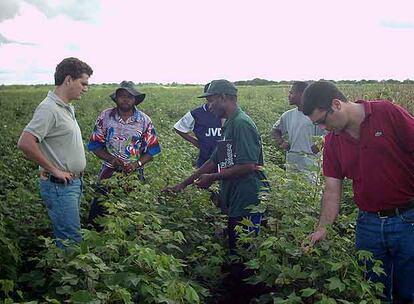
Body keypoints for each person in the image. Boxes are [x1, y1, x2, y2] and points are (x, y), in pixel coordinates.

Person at [302, 81, 414, 303]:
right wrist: (322, 228)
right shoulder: (333, 143)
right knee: (372, 293)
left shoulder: (387, 113)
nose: (323, 128)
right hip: (368, 225)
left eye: (323, 121)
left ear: (336, 104)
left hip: (408, 221)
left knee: (408, 293)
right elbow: (332, 191)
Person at [17, 57, 93, 247]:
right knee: (71, 240)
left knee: (70, 237)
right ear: (68, 80)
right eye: (83, 83)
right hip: (60, 186)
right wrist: (54, 169)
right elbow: (25, 142)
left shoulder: (66, 107)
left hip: (71, 184)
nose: (86, 88)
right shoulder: (49, 109)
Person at [87, 81, 161, 224]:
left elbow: (152, 150)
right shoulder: (105, 116)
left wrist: (136, 164)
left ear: (135, 100)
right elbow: (95, 144)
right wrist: (111, 159)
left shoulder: (144, 120)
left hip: (133, 174)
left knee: (132, 212)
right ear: (116, 98)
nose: (125, 99)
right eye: (122, 96)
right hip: (108, 171)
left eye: (129, 96)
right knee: (99, 212)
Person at [272, 81, 325, 180]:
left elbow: (330, 134)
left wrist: (319, 145)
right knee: (291, 192)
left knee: (310, 192)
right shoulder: (287, 115)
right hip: (292, 163)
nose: (289, 96)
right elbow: (275, 130)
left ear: (302, 94)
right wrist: (281, 142)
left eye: (292, 93)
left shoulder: (316, 114)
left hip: (310, 163)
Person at [174, 83, 223, 168]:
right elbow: (178, 128)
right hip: (205, 160)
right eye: (211, 98)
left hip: (226, 160)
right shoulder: (196, 113)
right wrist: (196, 143)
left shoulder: (228, 113)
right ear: (207, 98)